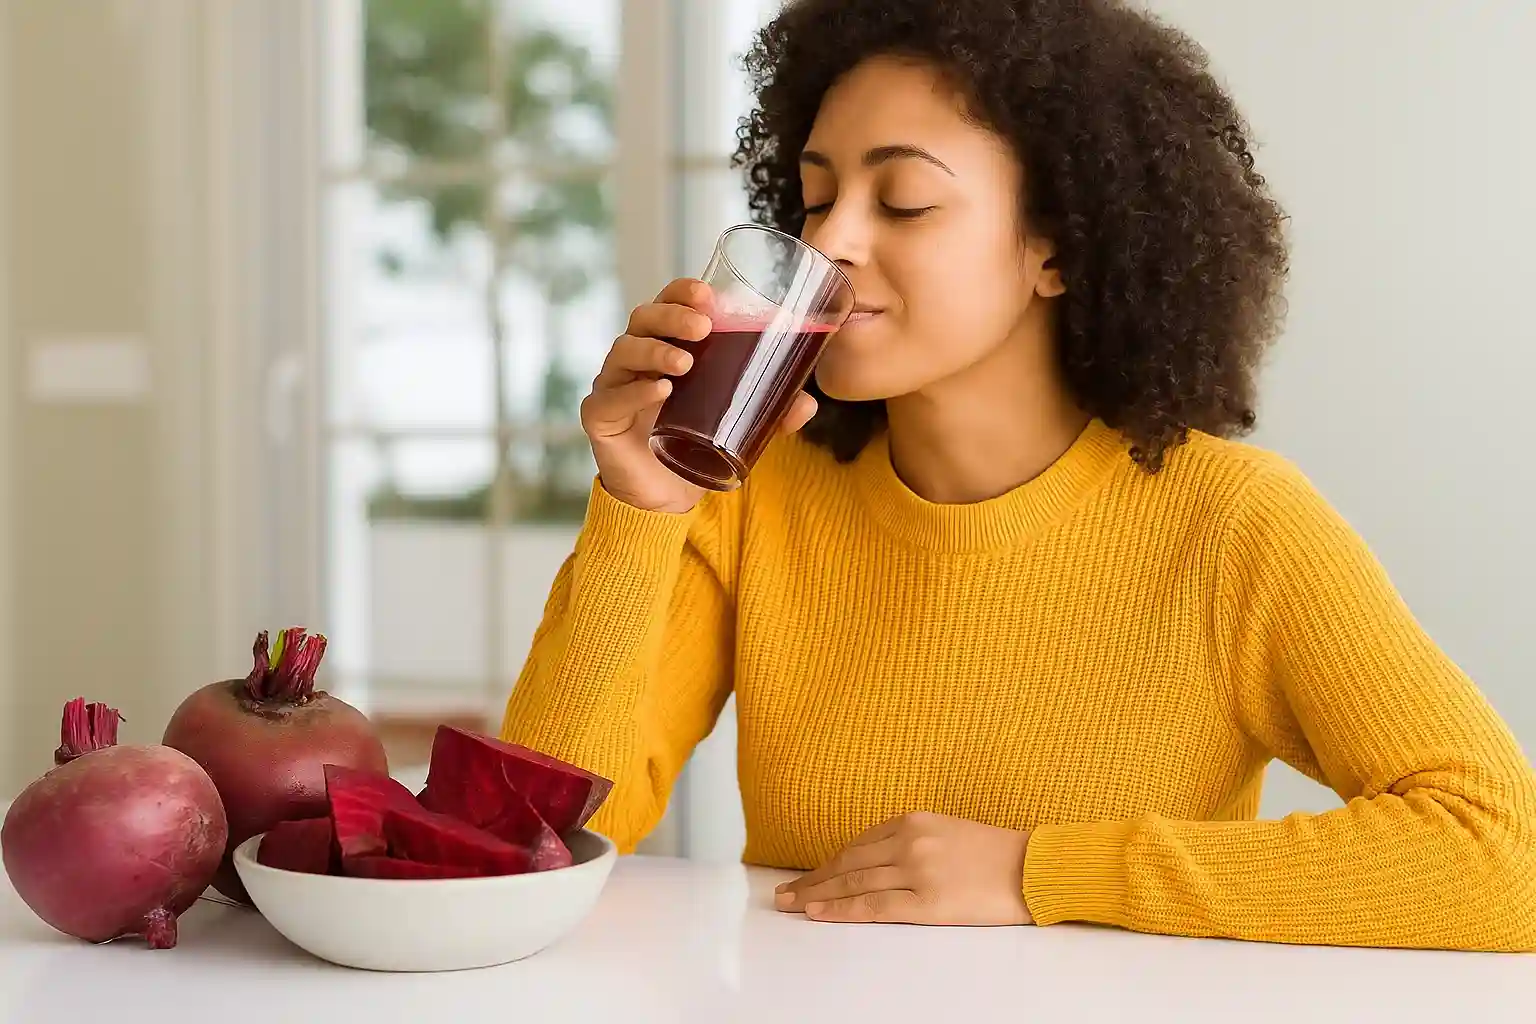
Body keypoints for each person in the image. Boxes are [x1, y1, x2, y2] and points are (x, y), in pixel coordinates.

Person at [500, 0, 1536, 950]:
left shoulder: (1230, 523)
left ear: (1059, 247)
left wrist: (1038, 869)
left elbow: (1505, 858)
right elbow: (530, 843)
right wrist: (639, 508)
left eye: (902, 201)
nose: (831, 240)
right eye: (815, 198)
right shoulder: (756, 495)